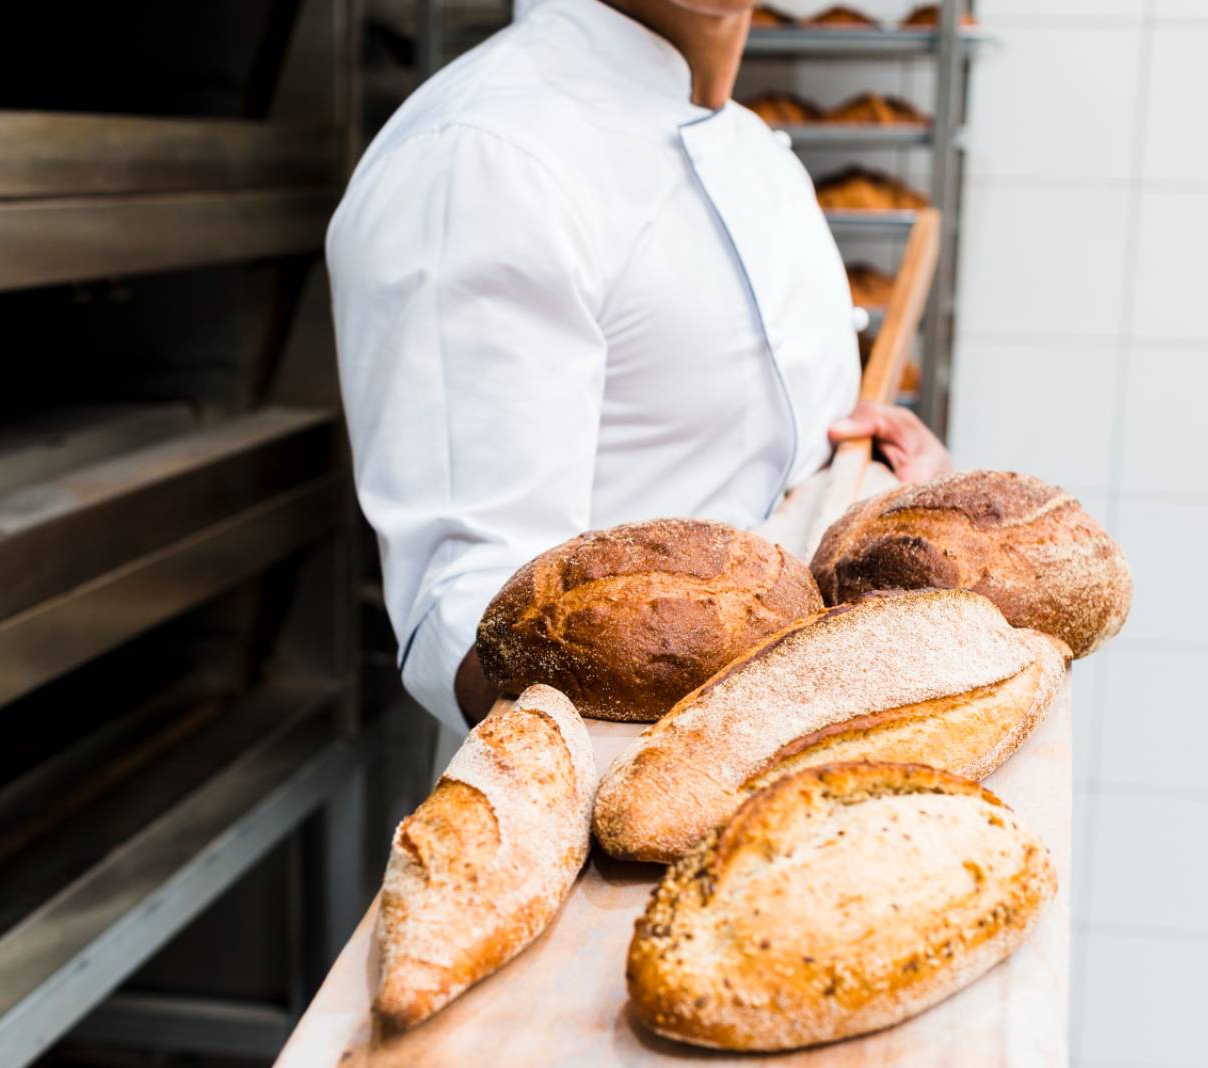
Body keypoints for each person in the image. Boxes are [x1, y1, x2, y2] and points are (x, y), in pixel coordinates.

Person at [326, 0, 952, 735]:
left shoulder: (749, 143)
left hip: (800, 761)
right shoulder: (481, 157)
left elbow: (759, 466)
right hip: (617, 809)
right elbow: (476, 628)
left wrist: (876, 490)